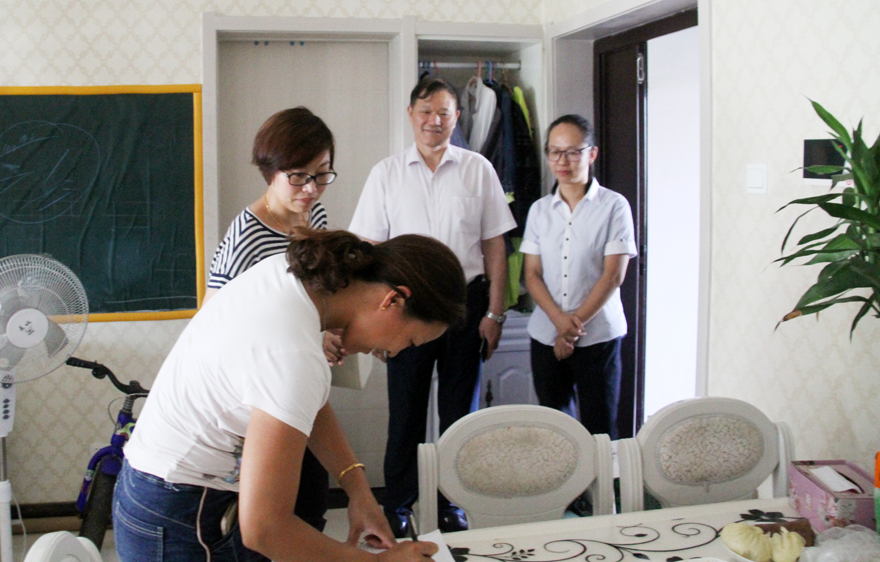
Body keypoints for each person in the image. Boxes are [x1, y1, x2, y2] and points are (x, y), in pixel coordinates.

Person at [114, 228, 466, 562]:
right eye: (410, 341)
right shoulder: (294, 354)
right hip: (183, 514)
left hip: (152, 489)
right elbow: (265, 529)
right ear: (393, 300)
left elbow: (301, 402)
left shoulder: (292, 280)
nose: (395, 352)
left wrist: (358, 490)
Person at [349, 77, 516, 537]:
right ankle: (398, 505)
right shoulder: (386, 173)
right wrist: (373, 321)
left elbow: (495, 246)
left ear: (456, 117)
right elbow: (368, 251)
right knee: (405, 413)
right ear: (411, 114)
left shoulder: (478, 168)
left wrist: (495, 313)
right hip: (405, 309)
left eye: (444, 112)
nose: (434, 121)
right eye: (426, 111)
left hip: (465, 304)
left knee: (459, 414)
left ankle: (451, 501)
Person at [203, 106, 340, 533]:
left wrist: (328, 329)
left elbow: (312, 296)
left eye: (322, 174)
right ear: (270, 171)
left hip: (301, 384)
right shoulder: (246, 236)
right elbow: (214, 329)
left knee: (312, 503)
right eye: (298, 176)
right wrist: (307, 339)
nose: (311, 188)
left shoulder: (313, 216)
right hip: (258, 399)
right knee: (275, 515)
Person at [521, 114, 637, 441]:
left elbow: (612, 276)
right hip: (546, 335)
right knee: (555, 431)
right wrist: (559, 322)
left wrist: (571, 331)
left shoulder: (614, 206)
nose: (562, 161)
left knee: (601, 429)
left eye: (573, 152)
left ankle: (604, 479)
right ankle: (565, 481)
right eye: (555, 152)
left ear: (591, 154)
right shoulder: (539, 210)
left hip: (598, 337)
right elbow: (532, 275)